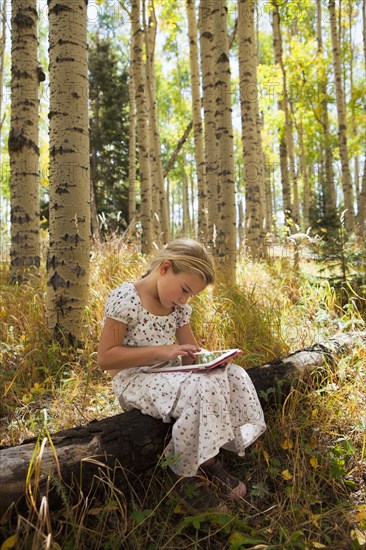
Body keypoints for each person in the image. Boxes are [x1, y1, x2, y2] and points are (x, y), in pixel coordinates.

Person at [98, 238, 266, 513]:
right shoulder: (126, 299)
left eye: (191, 296)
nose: (184, 300)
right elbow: (106, 358)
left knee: (233, 374)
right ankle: (182, 475)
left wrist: (213, 360)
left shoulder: (177, 307)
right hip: (136, 380)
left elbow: (189, 353)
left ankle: (209, 454)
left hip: (171, 374)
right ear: (165, 268)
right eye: (184, 290)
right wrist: (162, 351)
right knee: (203, 389)